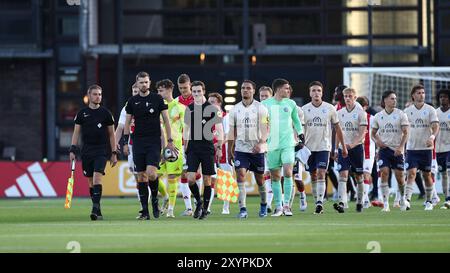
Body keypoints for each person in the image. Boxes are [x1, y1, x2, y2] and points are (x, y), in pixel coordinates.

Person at [123, 72, 175, 220]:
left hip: (153, 141)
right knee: (141, 176)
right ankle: (145, 211)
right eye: (141, 82)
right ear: (137, 84)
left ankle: (154, 201)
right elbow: (127, 123)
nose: (144, 85)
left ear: (149, 83)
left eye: (146, 82)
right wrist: (125, 143)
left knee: (151, 174)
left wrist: (169, 141)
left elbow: (166, 120)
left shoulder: (157, 99)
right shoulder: (132, 101)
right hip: (138, 142)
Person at [69, 84, 118, 220]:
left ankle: (94, 209)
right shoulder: (81, 114)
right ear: (89, 96)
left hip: (101, 151)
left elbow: (112, 135)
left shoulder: (106, 113)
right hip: (87, 151)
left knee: (97, 177)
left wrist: (114, 153)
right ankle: (98, 209)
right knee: (91, 181)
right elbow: (76, 133)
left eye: (100, 94)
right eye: (95, 94)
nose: (98, 97)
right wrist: (72, 150)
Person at [302, 81, 347, 214]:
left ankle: (320, 203)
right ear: (310, 93)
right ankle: (317, 201)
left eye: (319, 91)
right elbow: (299, 129)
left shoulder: (330, 108)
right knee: (313, 174)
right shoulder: (304, 109)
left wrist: (341, 147)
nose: (316, 93)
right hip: (308, 148)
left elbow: (338, 128)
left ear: (322, 93)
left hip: (324, 147)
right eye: (314, 90)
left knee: (322, 172)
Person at [227, 80, 269, 218]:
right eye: (243, 88)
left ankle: (263, 205)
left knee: (260, 180)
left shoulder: (261, 108)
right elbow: (231, 131)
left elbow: (266, 129)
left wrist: (261, 143)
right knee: (240, 175)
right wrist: (229, 150)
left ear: (253, 91)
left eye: (248, 88)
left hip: (257, 150)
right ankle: (243, 209)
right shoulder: (235, 109)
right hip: (241, 149)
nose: (245, 90)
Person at [262, 78, 303, 217]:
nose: (288, 90)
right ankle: (278, 206)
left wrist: (301, 134)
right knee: (275, 176)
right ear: (278, 89)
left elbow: (296, 121)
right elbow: (262, 124)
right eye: (286, 88)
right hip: (272, 145)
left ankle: (287, 206)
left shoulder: (291, 103)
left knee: (287, 172)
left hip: (288, 144)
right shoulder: (265, 104)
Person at [183, 81, 223, 220]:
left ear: (203, 91)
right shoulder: (190, 108)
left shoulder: (212, 108)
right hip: (193, 148)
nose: (196, 94)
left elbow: (219, 129)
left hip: (207, 147)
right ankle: (199, 202)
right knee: (190, 179)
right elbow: (186, 129)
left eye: (199, 91)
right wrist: (185, 145)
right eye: (194, 92)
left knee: (207, 180)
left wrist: (219, 147)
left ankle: (205, 209)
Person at [371, 90, 409, 212]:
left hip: (397, 150)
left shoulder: (401, 114)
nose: (395, 101)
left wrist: (401, 147)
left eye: (395, 98)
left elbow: (406, 132)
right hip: (384, 150)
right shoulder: (378, 116)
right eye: (392, 98)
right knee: (384, 173)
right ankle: (386, 203)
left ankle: (402, 198)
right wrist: (377, 141)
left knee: (400, 178)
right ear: (385, 100)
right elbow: (372, 133)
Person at [404, 85, 439, 211]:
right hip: (412, 149)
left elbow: (435, 126)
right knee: (411, 174)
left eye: (423, 92)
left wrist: (432, 137)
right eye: (418, 93)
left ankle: (429, 200)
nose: (421, 95)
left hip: (426, 149)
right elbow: (403, 129)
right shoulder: (407, 111)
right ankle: (407, 200)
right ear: (413, 95)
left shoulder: (430, 110)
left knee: (427, 175)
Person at [334, 88, 367, 213]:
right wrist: (336, 148)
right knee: (343, 174)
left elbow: (362, 133)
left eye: (350, 96)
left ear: (355, 97)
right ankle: (342, 202)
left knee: (359, 176)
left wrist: (352, 145)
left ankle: (360, 202)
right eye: (346, 96)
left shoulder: (360, 113)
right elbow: (338, 132)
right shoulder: (339, 113)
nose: (347, 98)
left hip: (356, 148)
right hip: (343, 149)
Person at [156, 79, 186, 218]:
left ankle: (171, 210)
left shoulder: (181, 108)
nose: (159, 93)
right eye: (158, 91)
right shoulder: (157, 107)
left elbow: (186, 130)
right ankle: (166, 196)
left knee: (173, 177)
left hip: (175, 147)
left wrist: (186, 148)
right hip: (158, 146)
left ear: (169, 90)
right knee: (154, 176)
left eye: (161, 90)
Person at [176, 73, 203, 216]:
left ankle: (199, 203)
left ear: (190, 85)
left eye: (185, 88)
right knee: (184, 173)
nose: (183, 91)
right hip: (180, 143)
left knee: (196, 173)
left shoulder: (198, 100)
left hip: (197, 143)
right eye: (180, 88)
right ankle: (189, 208)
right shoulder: (176, 102)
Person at [207, 92, 232, 215]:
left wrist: (218, 145)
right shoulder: (207, 117)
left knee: (226, 180)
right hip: (210, 151)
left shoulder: (226, 117)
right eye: (209, 102)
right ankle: (208, 207)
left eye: (213, 102)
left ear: (219, 103)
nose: (210, 104)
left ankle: (226, 207)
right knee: (211, 179)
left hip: (224, 152)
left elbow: (227, 135)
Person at [355, 96, 377, 209]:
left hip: (369, 149)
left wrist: (378, 148)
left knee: (366, 174)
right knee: (358, 175)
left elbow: (377, 133)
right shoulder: (353, 118)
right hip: (356, 149)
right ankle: (366, 199)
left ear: (365, 107)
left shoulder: (372, 119)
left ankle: (363, 199)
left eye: (361, 107)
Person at [258, 86, 274, 212]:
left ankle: (279, 204)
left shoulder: (275, 110)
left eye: (266, 96)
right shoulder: (256, 110)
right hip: (261, 145)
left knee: (276, 175)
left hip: (275, 145)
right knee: (266, 174)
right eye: (261, 96)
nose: (263, 98)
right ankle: (268, 203)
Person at [435, 89, 450, 209]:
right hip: (439, 149)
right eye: (440, 97)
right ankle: (447, 198)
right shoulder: (435, 113)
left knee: (449, 172)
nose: (442, 99)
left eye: (445, 97)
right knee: (444, 174)